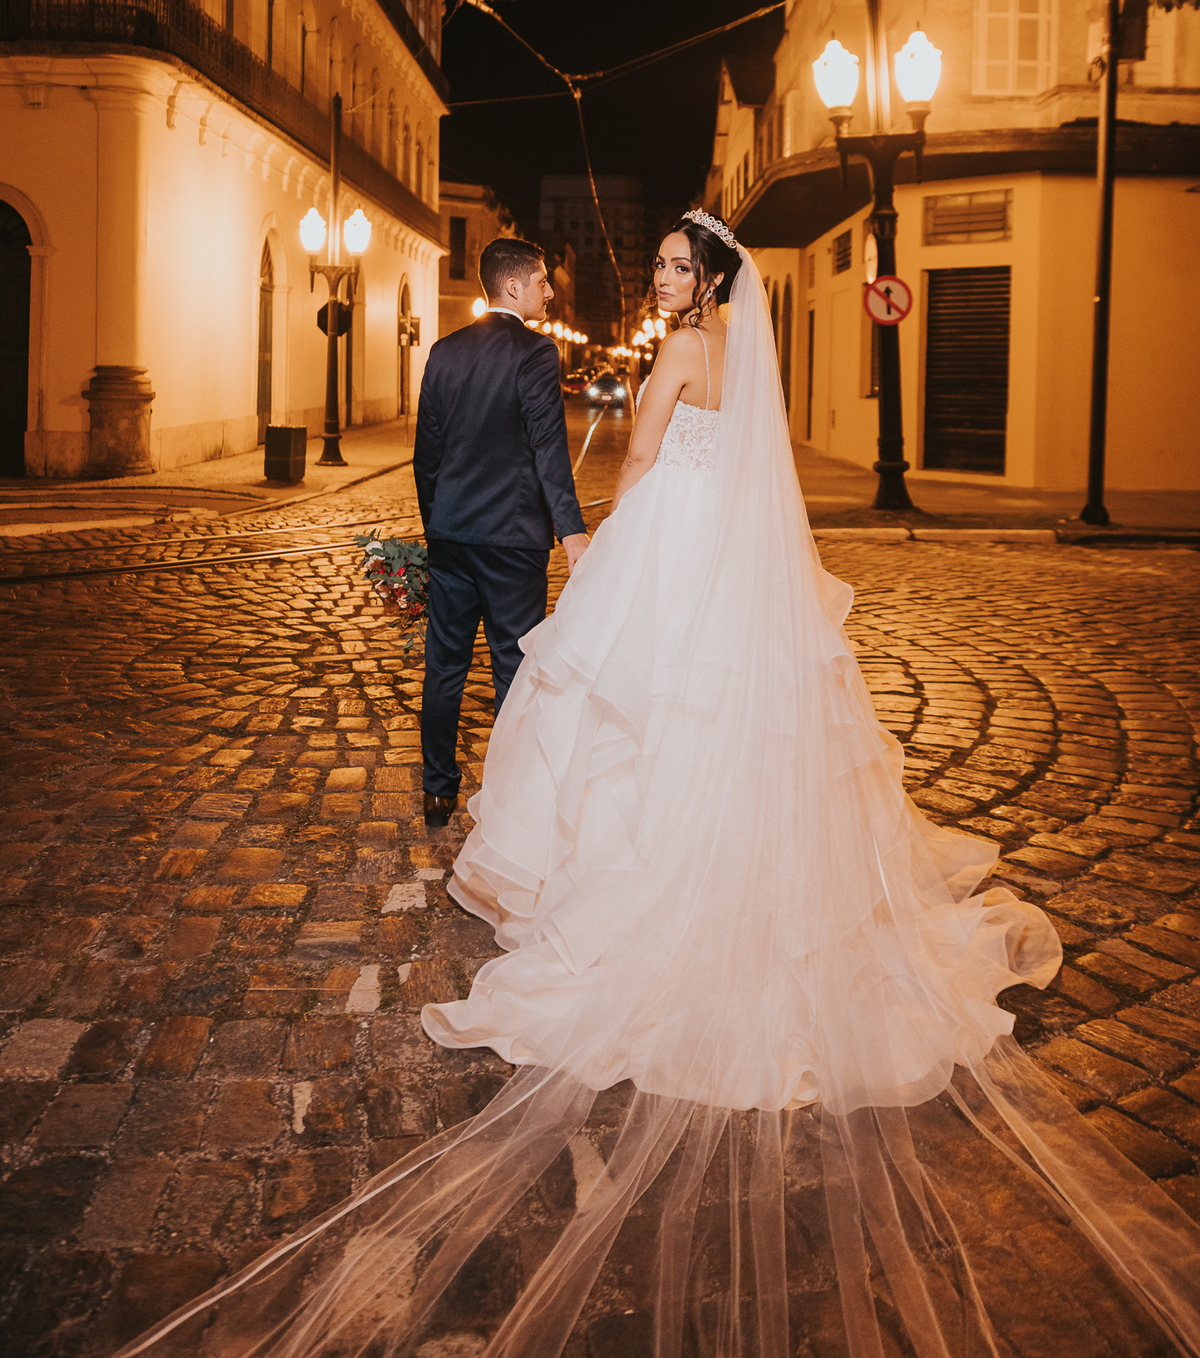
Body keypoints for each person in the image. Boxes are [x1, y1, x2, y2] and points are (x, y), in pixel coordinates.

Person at [119, 213, 1200, 1358]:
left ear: (709, 279)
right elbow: (753, 467)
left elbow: (634, 457)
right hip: (725, 562)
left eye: (682, 266)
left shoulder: (683, 349)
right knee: (702, 708)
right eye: (669, 266)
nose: (669, 279)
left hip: (658, 544)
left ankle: (593, 862)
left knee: (598, 705)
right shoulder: (746, 352)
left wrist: (603, 542)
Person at [412, 236, 589, 830]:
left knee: (445, 667)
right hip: (513, 541)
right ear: (513, 286)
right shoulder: (536, 352)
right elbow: (548, 449)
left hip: (453, 535)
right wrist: (571, 532)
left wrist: (436, 522)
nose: (550, 290)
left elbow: (427, 453)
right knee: (513, 669)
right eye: (542, 281)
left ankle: (437, 792)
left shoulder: (443, 351)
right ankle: (510, 802)